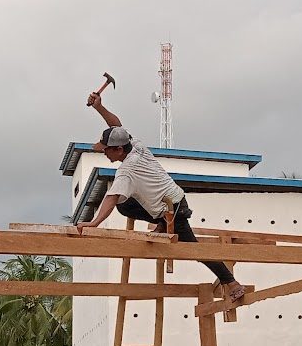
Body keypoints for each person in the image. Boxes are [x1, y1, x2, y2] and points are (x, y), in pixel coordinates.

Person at [76, 90, 247, 302]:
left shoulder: (127, 171)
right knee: (125, 205)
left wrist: (93, 224)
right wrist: (99, 107)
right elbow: (116, 126)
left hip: (174, 210)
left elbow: (110, 198)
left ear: (119, 149)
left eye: (106, 149)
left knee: (196, 250)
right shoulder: (135, 145)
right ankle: (161, 222)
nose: (104, 152)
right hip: (171, 202)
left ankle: (231, 282)